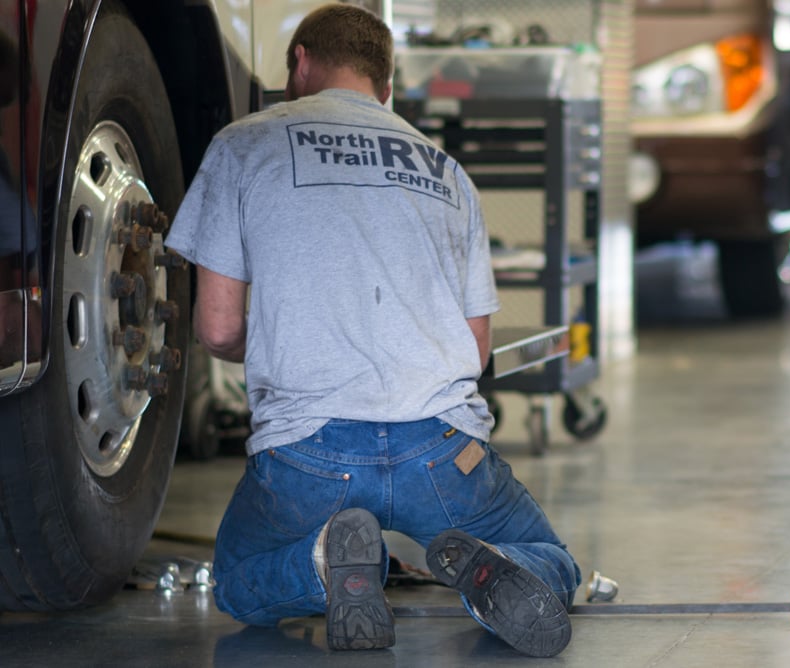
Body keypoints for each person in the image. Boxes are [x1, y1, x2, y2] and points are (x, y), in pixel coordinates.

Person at [165, 3, 581, 658]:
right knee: (552, 559)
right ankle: (496, 566)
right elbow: (475, 349)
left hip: (308, 453)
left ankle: (327, 560)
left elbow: (216, 328)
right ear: (386, 85)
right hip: (442, 454)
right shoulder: (445, 170)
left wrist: (286, 336)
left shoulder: (244, 144)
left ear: (298, 63)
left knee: (239, 584)